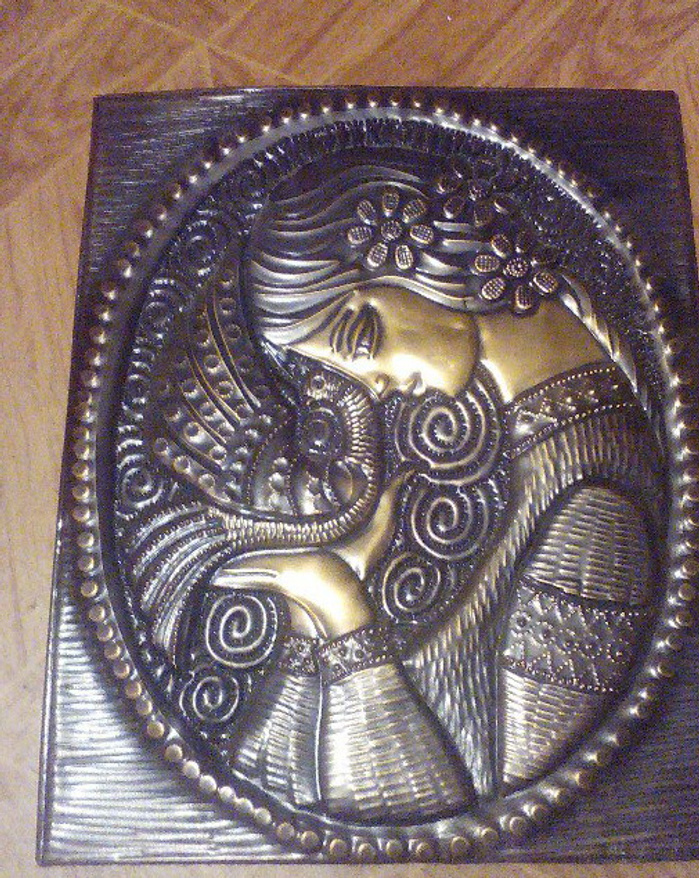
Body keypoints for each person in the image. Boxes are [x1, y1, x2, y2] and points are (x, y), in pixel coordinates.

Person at [203, 162, 665, 823]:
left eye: (360, 339)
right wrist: (316, 615)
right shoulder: (546, 463)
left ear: (419, 265)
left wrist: (339, 607)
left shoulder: (596, 516)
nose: (373, 386)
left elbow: (471, 814)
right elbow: (281, 783)